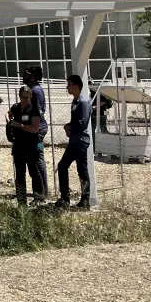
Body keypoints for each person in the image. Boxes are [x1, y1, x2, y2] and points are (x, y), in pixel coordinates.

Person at [57, 74, 92, 209]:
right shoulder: (76, 102)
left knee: (66, 166)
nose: (67, 87)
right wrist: (68, 126)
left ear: (76, 86)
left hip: (80, 141)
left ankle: (71, 198)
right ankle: (81, 200)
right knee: (79, 169)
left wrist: (70, 128)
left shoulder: (83, 102)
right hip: (75, 140)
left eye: (69, 85)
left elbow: (82, 123)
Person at [6, 85, 44, 205]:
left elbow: (35, 128)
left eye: (28, 97)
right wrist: (9, 121)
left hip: (31, 145)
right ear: (20, 96)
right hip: (19, 145)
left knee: (34, 172)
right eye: (23, 97)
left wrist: (20, 126)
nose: (26, 100)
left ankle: (38, 197)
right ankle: (21, 200)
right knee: (20, 174)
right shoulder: (16, 107)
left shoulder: (34, 110)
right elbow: (8, 113)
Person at [22, 67, 49, 196]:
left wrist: (27, 124)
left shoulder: (36, 90)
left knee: (37, 159)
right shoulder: (32, 89)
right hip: (34, 128)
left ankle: (42, 191)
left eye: (25, 74)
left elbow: (37, 112)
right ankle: (40, 190)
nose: (23, 76)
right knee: (35, 159)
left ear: (32, 76)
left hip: (37, 129)